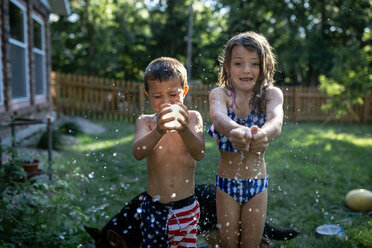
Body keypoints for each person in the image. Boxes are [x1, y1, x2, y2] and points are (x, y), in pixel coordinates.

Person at [208, 31, 284, 248]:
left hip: (257, 185)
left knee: (251, 245)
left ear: (264, 67)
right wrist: (235, 130)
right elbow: (218, 117)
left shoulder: (271, 95)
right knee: (228, 245)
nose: (246, 70)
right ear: (227, 67)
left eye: (254, 63)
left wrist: (263, 134)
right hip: (226, 185)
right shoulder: (220, 94)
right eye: (238, 63)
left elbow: (276, 120)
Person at [132, 57, 205, 248]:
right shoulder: (146, 122)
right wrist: (158, 130)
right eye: (157, 96)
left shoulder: (192, 118)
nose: (165, 102)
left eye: (173, 94)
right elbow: (138, 152)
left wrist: (183, 130)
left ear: (185, 91)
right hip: (155, 209)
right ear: (148, 95)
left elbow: (200, 152)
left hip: (186, 208)